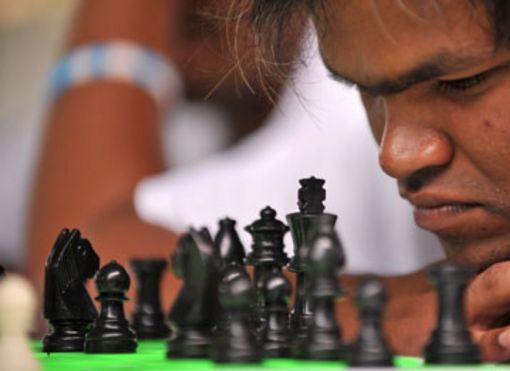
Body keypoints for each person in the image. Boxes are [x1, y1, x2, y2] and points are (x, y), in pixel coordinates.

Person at [240, 0, 510, 369]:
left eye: (464, 82)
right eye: (364, 90)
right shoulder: (389, 37)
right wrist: (364, 309)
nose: (395, 156)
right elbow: (180, 259)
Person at [25, 0, 442, 330]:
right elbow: (80, 267)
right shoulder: (204, 119)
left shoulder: (343, 75)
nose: (395, 157)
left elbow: (75, 269)